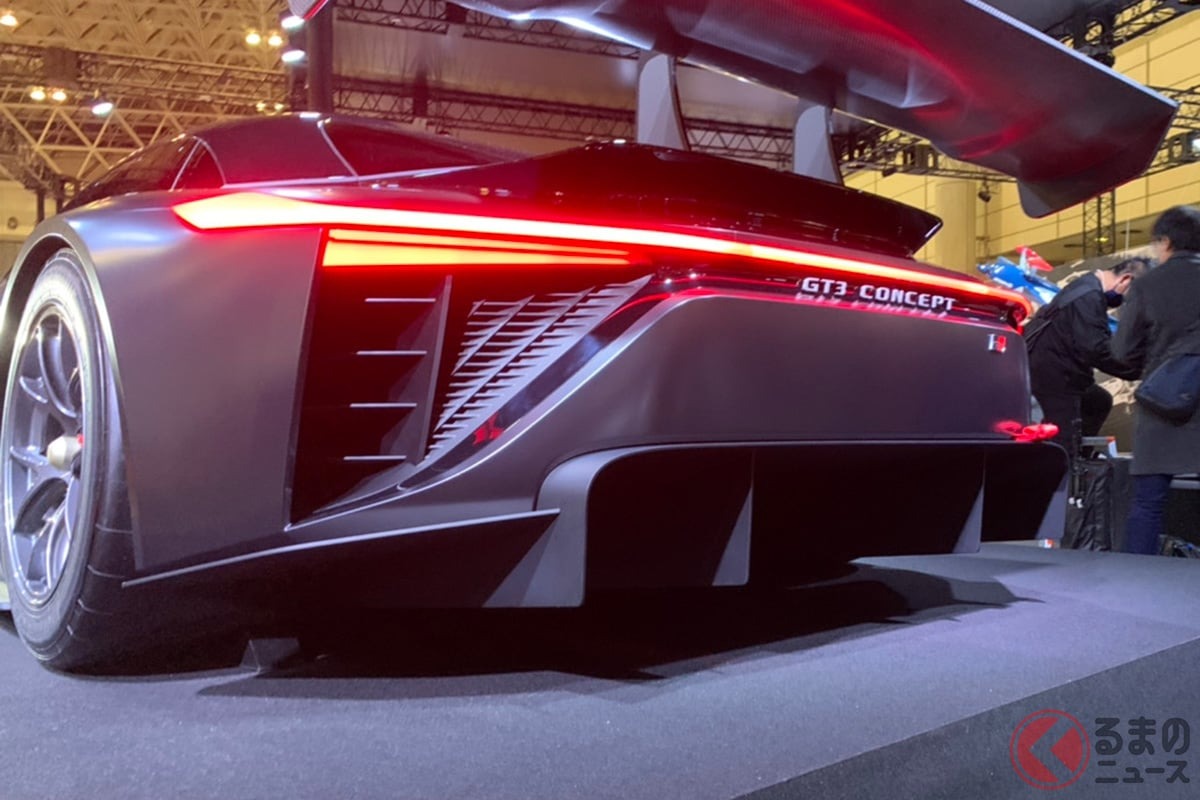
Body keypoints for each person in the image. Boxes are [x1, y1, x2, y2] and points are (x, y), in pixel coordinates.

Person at [1112, 205, 1200, 555]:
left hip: (1163, 405)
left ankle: (1138, 576)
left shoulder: (1148, 285)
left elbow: (1122, 352)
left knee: (1148, 503)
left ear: (1166, 242)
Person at [1025, 256, 1149, 454]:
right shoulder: (1088, 296)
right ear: (1126, 280)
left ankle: (1082, 456)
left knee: (1098, 401)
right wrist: (1139, 369)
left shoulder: (1088, 287)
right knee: (1062, 442)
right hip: (1053, 377)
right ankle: (1068, 463)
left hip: (1055, 369)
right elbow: (1096, 349)